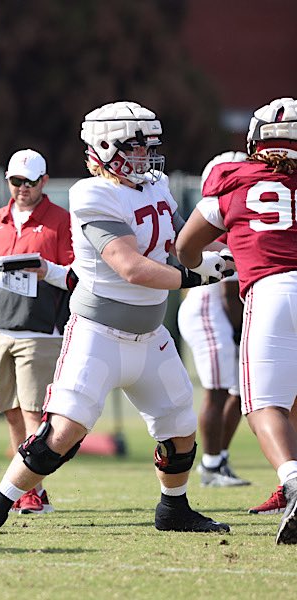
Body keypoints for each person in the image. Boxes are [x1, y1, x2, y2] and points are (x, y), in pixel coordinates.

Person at [0, 101, 232, 536]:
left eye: (148, 147)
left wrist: (232, 255)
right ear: (104, 147)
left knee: (180, 426)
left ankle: (174, 509)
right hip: (99, 334)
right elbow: (131, 266)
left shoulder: (156, 186)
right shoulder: (91, 194)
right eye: (136, 147)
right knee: (61, 432)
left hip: (150, 333)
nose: (146, 157)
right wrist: (195, 277)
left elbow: (182, 243)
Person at [177, 96, 297, 543]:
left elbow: (186, 248)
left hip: (273, 291)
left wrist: (215, 262)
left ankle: (293, 482)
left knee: (263, 403)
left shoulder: (235, 180)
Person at [0, 149, 72, 514]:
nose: (22, 188)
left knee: (35, 414)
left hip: (40, 331)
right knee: (13, 413)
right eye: (16, 181)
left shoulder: (60, 220)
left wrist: (44, 270)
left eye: (30, 182)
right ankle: (28, 485)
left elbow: (74, 274)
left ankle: (32, 490)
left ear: (44, 182)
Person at [176, 151, 250, 488]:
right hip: (210, 309)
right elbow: (226, 290)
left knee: (237, 389)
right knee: (219, 388)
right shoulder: (220, 222)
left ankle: (218, 459)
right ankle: (210, 464)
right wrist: (239, 329)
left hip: (219, 310)